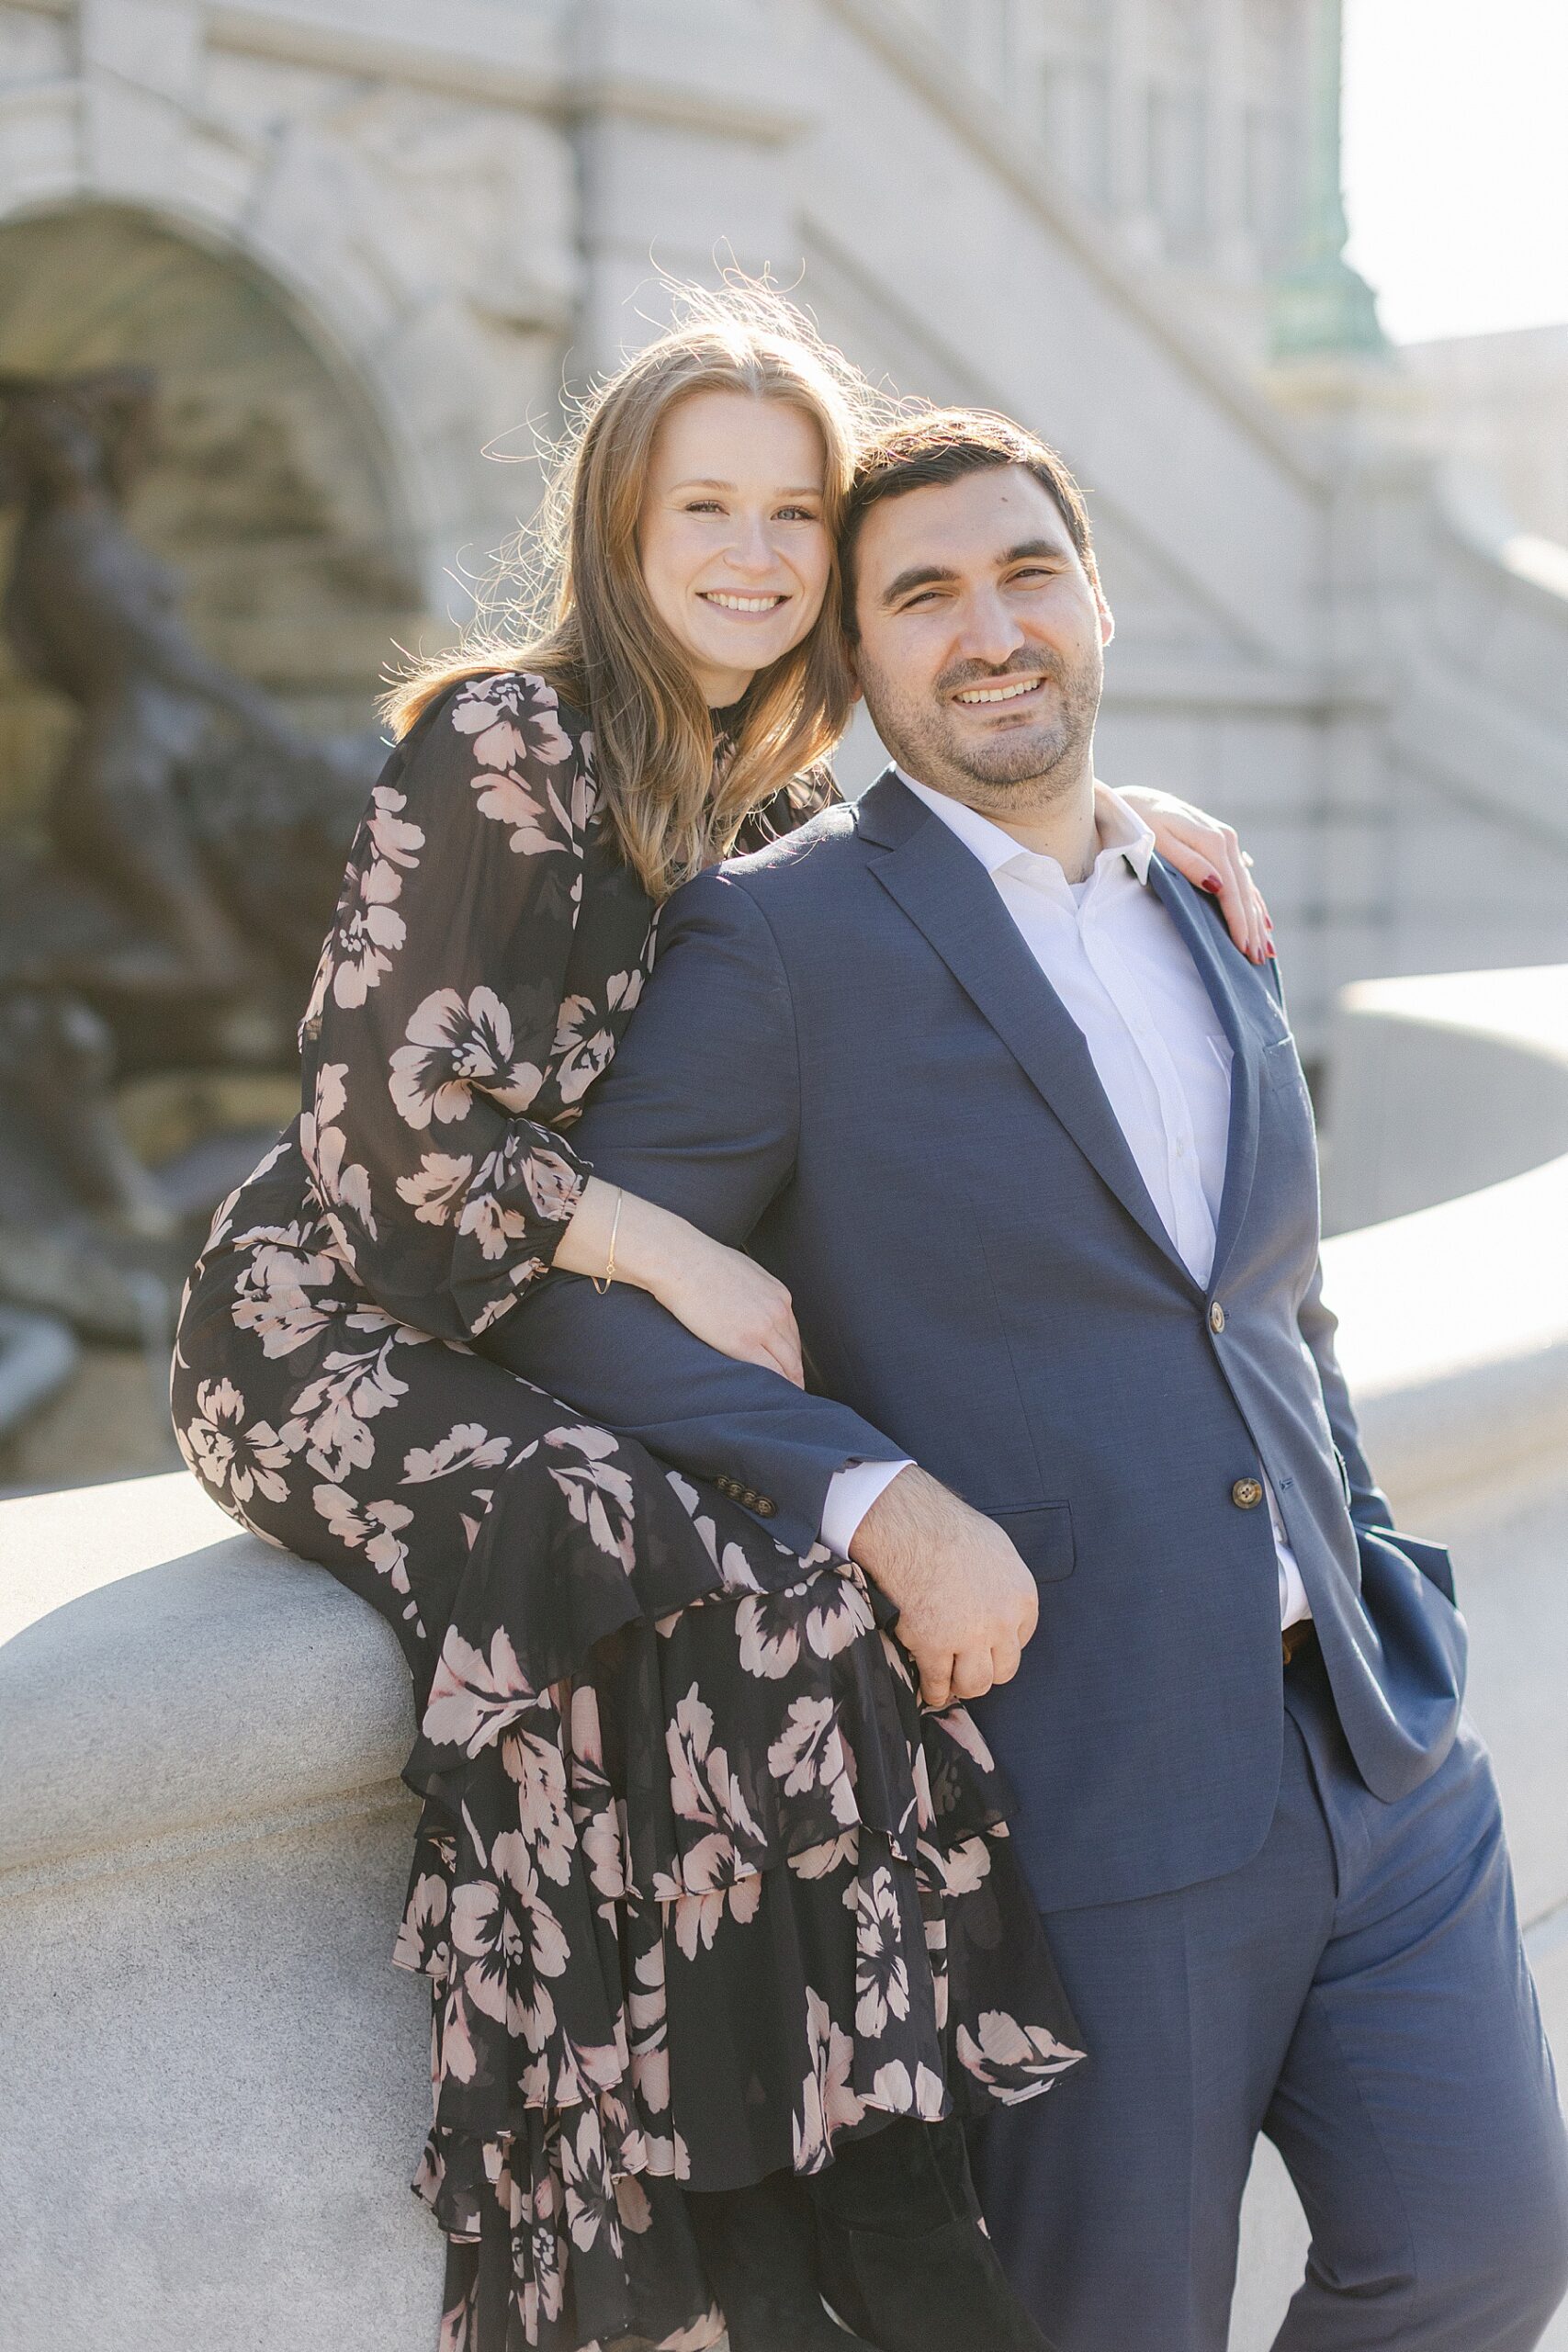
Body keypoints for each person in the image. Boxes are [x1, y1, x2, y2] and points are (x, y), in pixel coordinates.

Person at [171, 290, 1269, 2352]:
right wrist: (669, 1257)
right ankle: (719, 2238)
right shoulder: (500, 740)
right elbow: (385, 1130)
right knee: (658, 1558)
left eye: (793, 515)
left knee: (805, 1590)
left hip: (532, 1323)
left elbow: (951, 857)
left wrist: (1132, 826)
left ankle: (847, 2198)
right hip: (341, 1321)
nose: (756, 555)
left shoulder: (761, 797)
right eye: (708, 508)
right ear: (623, 521)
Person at [485, 406, 1568, 2352]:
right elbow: (571, 1303)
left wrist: (1373, 1555)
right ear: (854, 658)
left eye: (1025, 573)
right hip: (1080, 1789)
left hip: (1377, 1741)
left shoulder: (1197, 898)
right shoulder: (778, 940)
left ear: (1095, 599)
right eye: (922, 596)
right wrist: (875, 1501)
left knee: (1486, 2251)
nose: (988, 631)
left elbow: (1265, 1298)